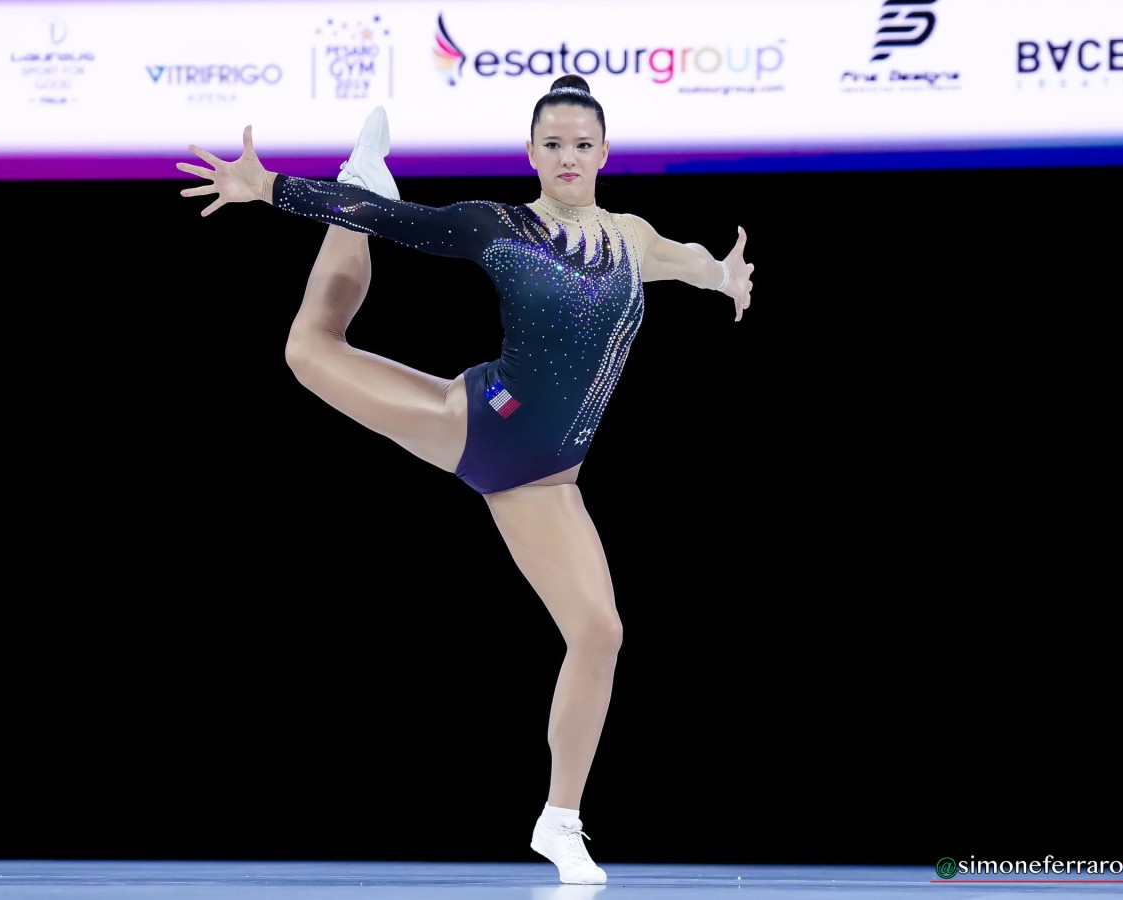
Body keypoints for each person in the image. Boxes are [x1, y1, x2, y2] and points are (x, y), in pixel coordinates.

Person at [177, 74, 753, 885]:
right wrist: (269, 187)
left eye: (582, 144)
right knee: (308, 349)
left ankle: (560, 821)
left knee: (600, 634)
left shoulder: (631, 237)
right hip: (480, 423)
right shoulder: (499, 227)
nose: (568, 156)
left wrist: (722, 276)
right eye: (552, 143)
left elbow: (686, 261)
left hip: (544, 482)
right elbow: (396, 222)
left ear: (603, 152)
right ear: (531, 152)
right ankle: (361, 173)